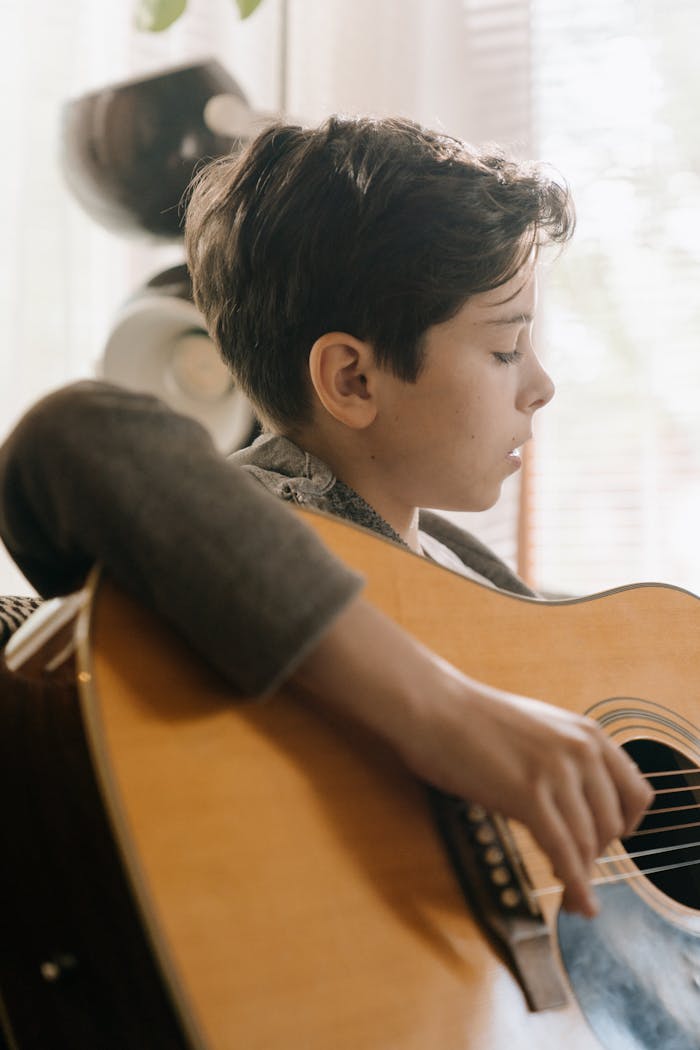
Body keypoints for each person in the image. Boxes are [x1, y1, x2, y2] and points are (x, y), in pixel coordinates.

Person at [0, 116, 651, 922]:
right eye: (504, 349)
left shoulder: (483, 589)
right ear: (351, 377)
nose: (542, 385)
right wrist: (449, 713)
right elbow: (74, 439)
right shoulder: (242, 533)